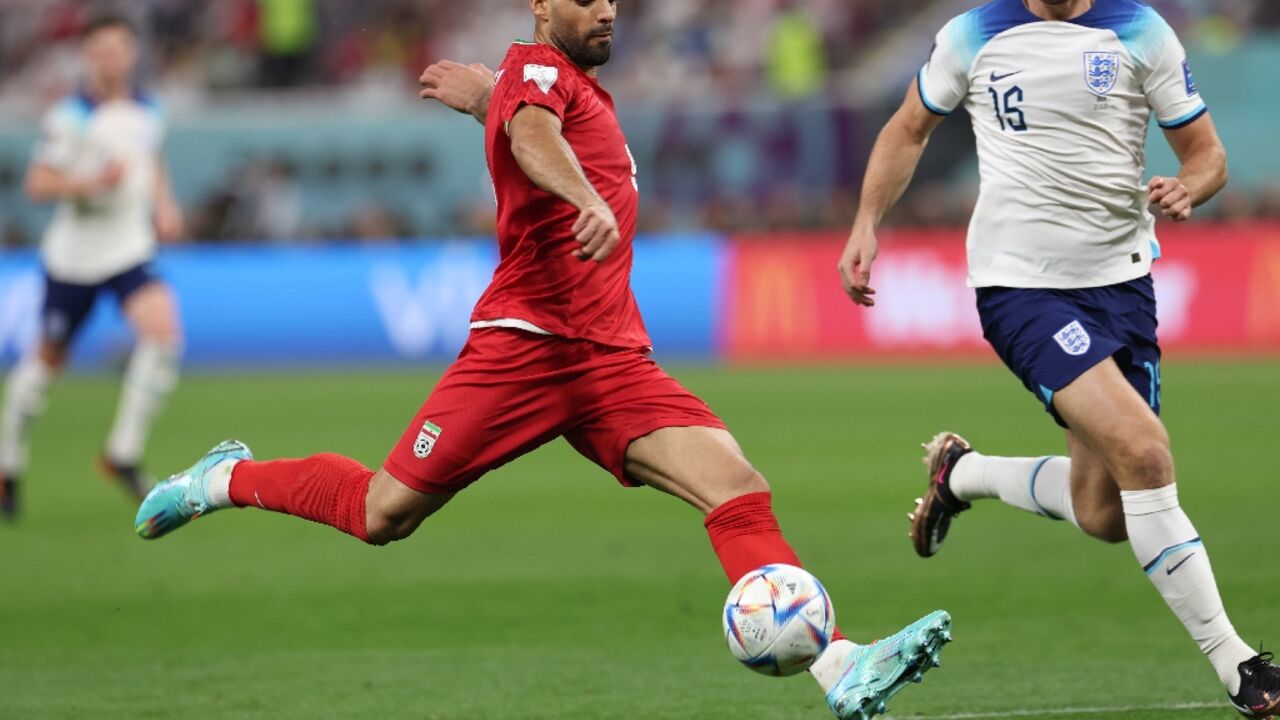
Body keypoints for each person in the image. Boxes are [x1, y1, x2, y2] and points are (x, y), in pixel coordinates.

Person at [134, 2, 951, 718]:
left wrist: (486, 101)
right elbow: (532, 131)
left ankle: (842, 666)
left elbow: (522, 115)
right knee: (382, 514)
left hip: (610, 359)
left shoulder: (566, 85)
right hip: (523, 350)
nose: (606, 11)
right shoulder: (535, 68)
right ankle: (225, 479)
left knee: (735, 484)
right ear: (538, 7)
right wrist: (579, 192)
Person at [837, 0, 1279, 716]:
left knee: (1106, 511)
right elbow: (909, 127)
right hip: (1021, 285)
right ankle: (1242, 667)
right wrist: (865, 221)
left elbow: (1209, 155)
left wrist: (1188, 186)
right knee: (1146, 453)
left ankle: (964, 473)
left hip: (1123, 285)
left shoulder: (1140, 30)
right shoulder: (972, 34)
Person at [0, 14, 184, 520]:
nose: (110, 59)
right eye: (100, 50)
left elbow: (151, 160)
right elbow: (38, 184)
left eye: (119, 49)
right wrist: (91, 185)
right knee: (47, 362)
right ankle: (8, 461)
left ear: (132, 54)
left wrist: (165, 204)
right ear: (87, 57)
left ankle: (121, 454)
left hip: (129, 249)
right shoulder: (70, 116)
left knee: (164, 334)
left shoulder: (149, 109)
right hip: (76, 259)